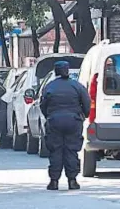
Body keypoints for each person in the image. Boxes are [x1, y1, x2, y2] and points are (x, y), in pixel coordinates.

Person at [40, 61, 90, 191]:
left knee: (55, 150)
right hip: (73, 121)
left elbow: (43, 106)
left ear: (56, 71)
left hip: (54, 121)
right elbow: (87, 104)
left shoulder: (49, 87)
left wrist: (49, 116)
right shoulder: (77, 86)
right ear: (67, 71)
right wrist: (84, 115)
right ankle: (72, 180)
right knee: (71, 150)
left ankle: (54, 181)